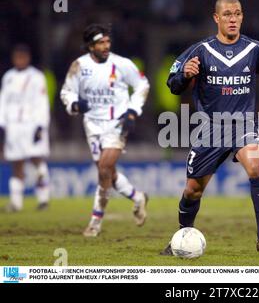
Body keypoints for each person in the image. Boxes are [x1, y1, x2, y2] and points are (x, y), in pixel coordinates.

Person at [160, 0, 259, 255]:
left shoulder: (255, 49)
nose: (233, 19)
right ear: (216, 18)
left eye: (238, 14)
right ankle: (182, 236)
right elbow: (172, 84)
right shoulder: (200, 50)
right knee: (193, 190)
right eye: (227, 14)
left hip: (243, 124)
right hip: (210, 128)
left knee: (256, 165)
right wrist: (185, 75)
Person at [60, 24, 150, 237]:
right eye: (101, 42)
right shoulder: (79, 66)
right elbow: (67, 91)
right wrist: (73, 105)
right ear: (90, 45)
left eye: (108, 41)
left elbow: (142, 85)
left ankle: (95, 221)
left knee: (103, 169)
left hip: (116, 123)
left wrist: (132, 112)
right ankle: (138, 197)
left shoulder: (122, 64)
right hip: (91, 124)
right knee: (107, 171)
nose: (106, 46)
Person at [0, 44, 51, 212]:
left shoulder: (37, 77)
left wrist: (40, 125)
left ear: (28, 58)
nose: (20, 60)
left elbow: (42, 103)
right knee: (17, 163)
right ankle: (16, 202)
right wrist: (2, 124)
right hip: (13, 126)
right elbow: (3, 103)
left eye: (22, 57)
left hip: (31, 124)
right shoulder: (8, 77)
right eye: (17, 57)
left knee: (37, 159)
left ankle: (43, 198)